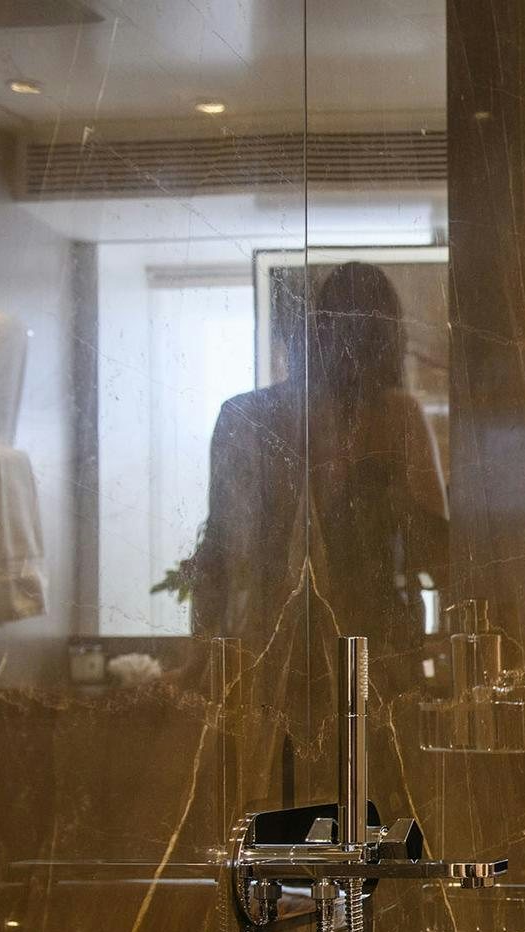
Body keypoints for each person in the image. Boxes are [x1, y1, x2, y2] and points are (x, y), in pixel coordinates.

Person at [190, 260, 449, 696]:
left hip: (353, 651)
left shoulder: (249, 416)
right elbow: (220, 549)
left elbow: (435, 549)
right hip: (299, 648)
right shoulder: (250, 418)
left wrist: (201, 655)